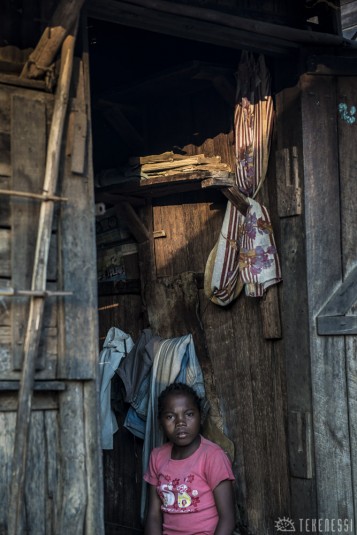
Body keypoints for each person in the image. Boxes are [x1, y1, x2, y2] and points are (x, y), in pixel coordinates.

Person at [143, 382, 236, 535]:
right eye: (170, 416)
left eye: (189, 414)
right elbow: (153, 515)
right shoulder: (157, 457)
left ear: (200, 417)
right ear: (161, 422)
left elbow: (228, 519)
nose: (180, 422)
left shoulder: (212, 457)